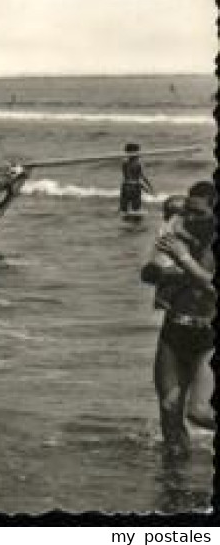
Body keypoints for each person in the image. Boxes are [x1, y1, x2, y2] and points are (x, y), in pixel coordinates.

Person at [142, 194, 216, 456]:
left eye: (199, 213)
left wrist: (184, 261)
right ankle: (175, 486)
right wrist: (161, 268)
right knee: (169, 411)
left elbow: (212, 288)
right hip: (174, 329)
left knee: (199, 412)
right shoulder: (176, 236)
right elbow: (148, 273)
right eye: (188, 212)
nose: (191, 218)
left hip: (210, 335)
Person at [120, 143, 152, 216]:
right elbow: (139, 177)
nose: (139, 153)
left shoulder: (125, 163)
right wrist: (147, 187)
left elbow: (133, 177)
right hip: (133, 188)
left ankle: (127, 224)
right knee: (136, 211)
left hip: (125, 186)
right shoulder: (137, 164)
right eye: (138, 151)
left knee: (124, 210)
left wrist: (148, 186)